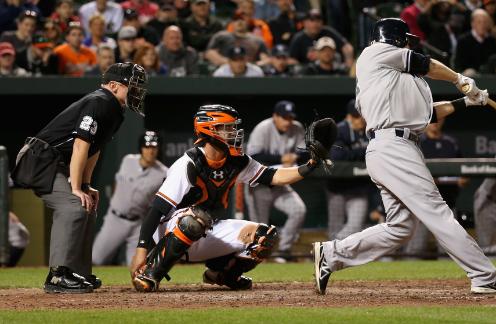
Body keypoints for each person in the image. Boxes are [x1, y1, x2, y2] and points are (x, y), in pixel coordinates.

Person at [313, 18, 496, 296]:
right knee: (437, 212)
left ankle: (332, 254)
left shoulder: (391, 77)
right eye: (405, 38)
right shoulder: (376, 52)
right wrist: (460, 79)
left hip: (393, 146)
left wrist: (465, 102)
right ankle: (484, 275)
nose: (409, 42)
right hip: (393, 146)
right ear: (394, 37)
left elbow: (427, 114)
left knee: (401, 227)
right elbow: (427, 64)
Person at [129, 104, 322, 292]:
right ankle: (151, 272)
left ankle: (224, 275)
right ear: (209, 129)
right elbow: (157, 209)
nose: (234, 132)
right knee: (196, 219)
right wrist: (142, 249)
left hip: (207, 227)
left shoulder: (237, 160)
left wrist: (310, 165)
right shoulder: (189, 163)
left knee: (265, 236)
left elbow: (273, 175)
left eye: (233, 127)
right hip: (170, 232)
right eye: (227, 128)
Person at [11, 62, 148, 293]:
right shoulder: (99, 101)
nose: (137, 91)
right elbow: (80, 146)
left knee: (86, 205)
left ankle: (77, 273)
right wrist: (75, 187)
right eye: (132, 86)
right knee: (73, 206)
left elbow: (94, 150)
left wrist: (85, 185)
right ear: (113, 86)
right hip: (40, 159)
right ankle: (58, 275)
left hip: (57, 162)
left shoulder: (115, 108)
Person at [244, 100, 307, 263]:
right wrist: (281, 158)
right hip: (259, 186)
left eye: (290, 117)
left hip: (280, 184)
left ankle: (284, 250)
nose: (288, 121)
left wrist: (296, 157)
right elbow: (253, 157)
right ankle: (255, 258)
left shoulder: (297, 128)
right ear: (275, 117)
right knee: (260, 226)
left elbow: (305, 153)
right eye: (284, 117)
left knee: (298, 210)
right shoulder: (263, 128)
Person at [92, 131, 168, 266]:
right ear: (141, 148)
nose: (150, 151)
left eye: (153, 147)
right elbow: (117, 183)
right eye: (147, 147)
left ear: (158, 149)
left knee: (136, 265)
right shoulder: (128, 160)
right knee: (96, 258)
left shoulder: (163, 173)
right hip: (115, 219)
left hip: (138, 224)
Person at [403, 116, 466, 259]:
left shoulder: (451, 143)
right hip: (422, 203)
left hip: (448, 201)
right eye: (431, 121)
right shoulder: (417, 142)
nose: (434, 124)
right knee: (415, 248)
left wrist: (463, 179)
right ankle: (405, 281)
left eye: (438, 120)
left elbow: (464, 169)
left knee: (449, 249)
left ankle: (450, 281)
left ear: (443, 121)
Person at [325, 99, 370, 240]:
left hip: (358, 188)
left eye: (362, 116)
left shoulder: (371, 130)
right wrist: (364, 151)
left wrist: (353, 153)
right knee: (335, 227)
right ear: (349, 116)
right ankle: (332, 257)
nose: (360, 120)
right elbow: (337, 156)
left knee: (355, 226)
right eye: (356, 116)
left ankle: (330, 250)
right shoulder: (338, 130)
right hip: (337, 187)